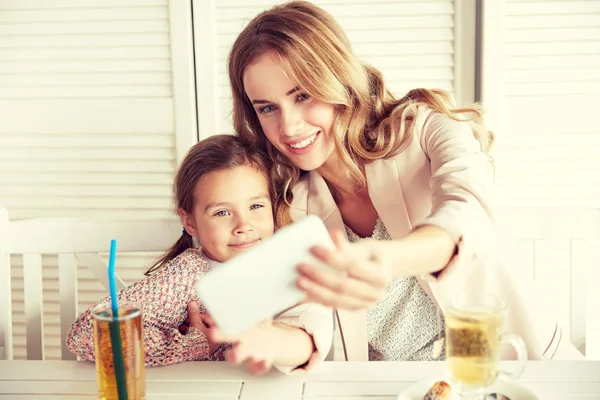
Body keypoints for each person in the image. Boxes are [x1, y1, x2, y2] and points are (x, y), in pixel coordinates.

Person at [225, 1, 582, 361]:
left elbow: (467, 214)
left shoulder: (427, 128)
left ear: (338, 81)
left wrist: (386, 260)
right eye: (267, 107)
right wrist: (265, 341)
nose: (288, 127)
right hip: (400, 386)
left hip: (515, 363)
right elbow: (308, 318)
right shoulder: (290, 202)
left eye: (302, 95)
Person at [66, 134, 333, 374]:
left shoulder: (289, 263)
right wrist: (193, 345)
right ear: (190, 222)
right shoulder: (189, 276)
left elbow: (313, 332)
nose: (243, 225)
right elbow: (86, 335)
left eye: (256, 206)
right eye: (222, 212)